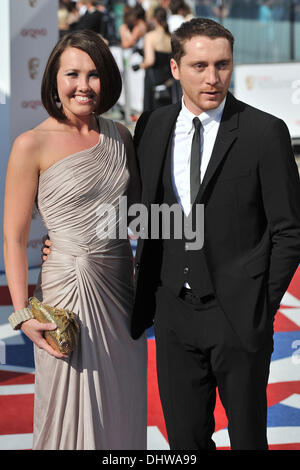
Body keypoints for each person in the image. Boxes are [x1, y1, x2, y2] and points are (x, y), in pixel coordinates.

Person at [131, 18, 300, 450]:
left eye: (222, 65)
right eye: (200, 65)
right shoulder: (151, 126)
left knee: (247, 440)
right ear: (174, 68)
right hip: (173, 316)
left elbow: (289, 230)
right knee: (184, 442)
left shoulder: (265, 132)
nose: (212, 78)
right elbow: (142, 214)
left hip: (240, 317)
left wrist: (260, 300)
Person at [4, 30, 147, 450]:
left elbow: (140, 214)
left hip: (122, 292)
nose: (84, 85)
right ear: (54, 80)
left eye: (94, 74)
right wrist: (21, 314)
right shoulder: (30, 145)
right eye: (73, 74)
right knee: (65, 405)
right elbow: (13, 238)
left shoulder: (120, 136)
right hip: (65, 295)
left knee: (122, 406)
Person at [133, 6, 173, 111]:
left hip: (154, 80)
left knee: (152, 113)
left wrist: (138, 66)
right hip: (168, 80)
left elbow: (150, 61)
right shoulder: (170, 37)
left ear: (154, 19)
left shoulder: (150, 36)